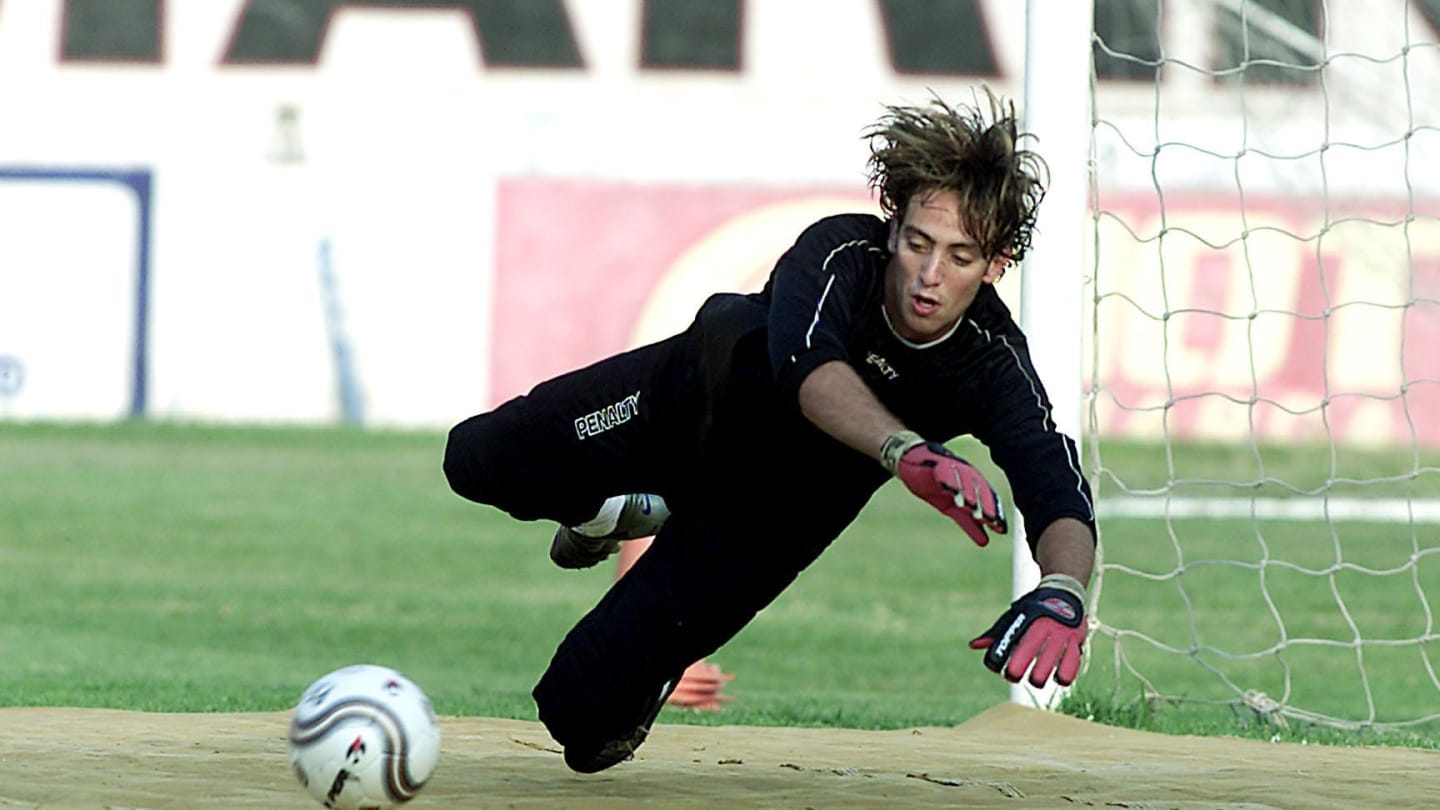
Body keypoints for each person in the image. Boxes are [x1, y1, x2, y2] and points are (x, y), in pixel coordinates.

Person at [443, 88, 1097, 774]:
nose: (930, 275)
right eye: (918, 243)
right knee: (476, 458)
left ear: (994, 266)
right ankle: (608, 509)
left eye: (960, 257)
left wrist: (1064, 590)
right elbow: (810, 374)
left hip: (775, 513)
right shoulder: (841, 251)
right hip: (685, 409)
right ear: (893, 226)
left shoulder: (992, 362)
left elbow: (1055, 487)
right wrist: (904, 450)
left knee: (581, 721)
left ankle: (650, 658)